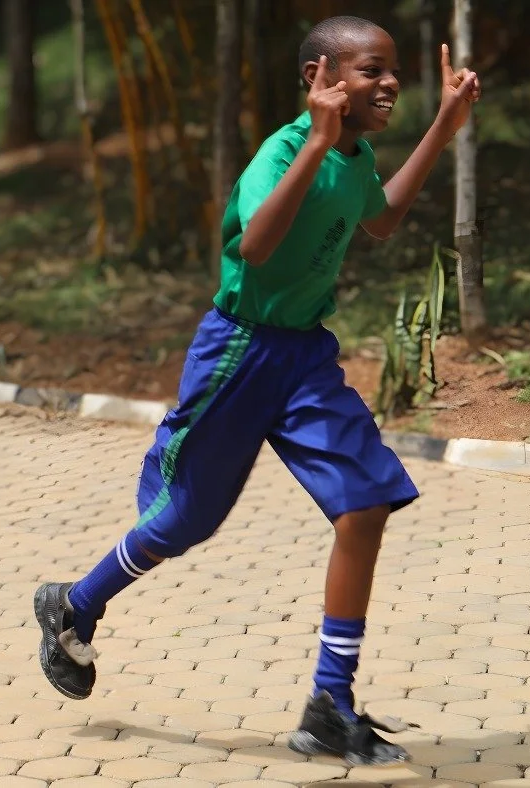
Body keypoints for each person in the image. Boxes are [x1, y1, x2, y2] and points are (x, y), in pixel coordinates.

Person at [34, 15, 480, 766]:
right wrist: (311, 141)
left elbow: (381, 221)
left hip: (303, 357)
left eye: (393, 70)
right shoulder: (280, 154)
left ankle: (329, 705)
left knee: (365, 502)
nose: (390, 83)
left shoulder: (357, 154)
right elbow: (257, 244)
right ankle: (75, 604)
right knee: (187, 521)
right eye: (371, 70)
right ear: (320, 78)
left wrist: (442, 126)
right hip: (238, 351)